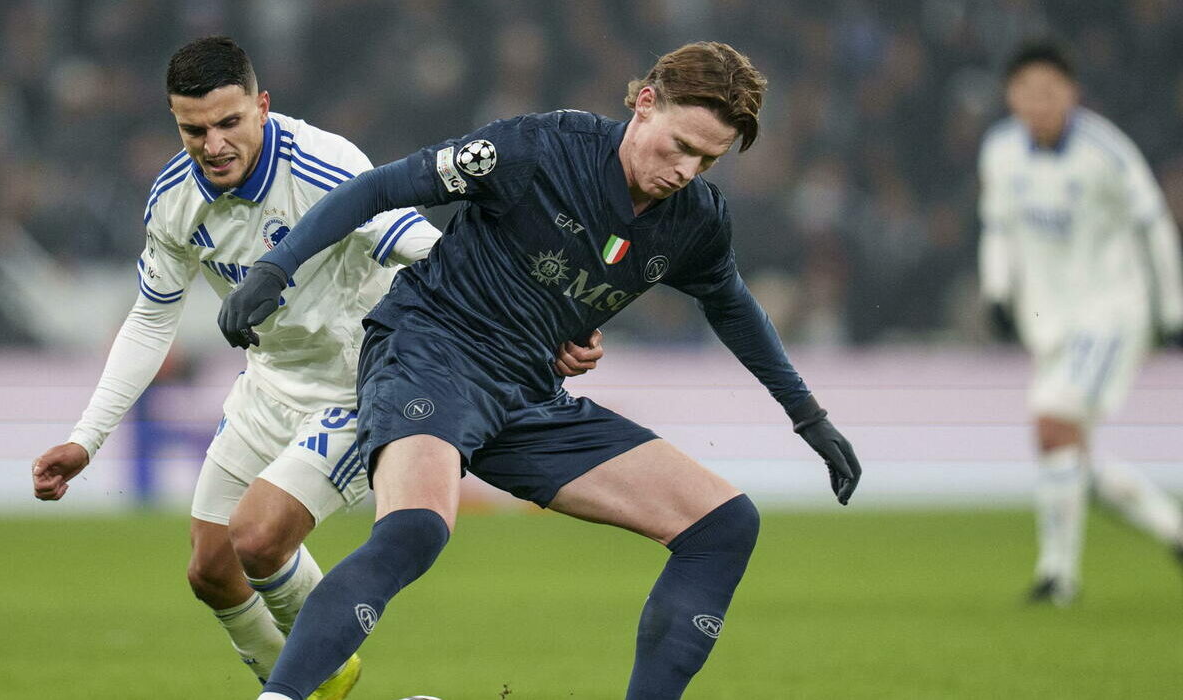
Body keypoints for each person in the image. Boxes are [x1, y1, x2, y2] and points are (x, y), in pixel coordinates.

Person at [220, 41, 861, 700]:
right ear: (645, 103)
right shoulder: (538, 149)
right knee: (415, 528)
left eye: (707, 159)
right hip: (431, 353)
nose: (685, 170)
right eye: (681, 146)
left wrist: (808, 416)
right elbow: (383, 187)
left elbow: (734, 309)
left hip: (527, 394)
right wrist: (277, 267)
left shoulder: (693, 220)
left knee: (724, 524)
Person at [29, 36, 606, 697]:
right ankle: (325, 678)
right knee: (211, 571)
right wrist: (86, 438)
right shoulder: (174, 198)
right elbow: (151, 319)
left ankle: (305, 678)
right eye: (194, 130)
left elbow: (425, 247)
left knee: (258, 537)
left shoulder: (322, 165)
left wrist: (545, 322)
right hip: (268, 384)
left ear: (262, 106)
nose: (213, 145)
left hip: (366, 383)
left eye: (229, 122)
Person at [978, 42, 1183, 606]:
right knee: (1066, 452)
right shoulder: (1000, 151)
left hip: (1112, 312)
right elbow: (997, 227)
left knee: (1054, 425)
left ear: (1071, 93)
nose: (1038, 103)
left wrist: (1173, 309)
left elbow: (1155, 226)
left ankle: (1057, 577)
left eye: (1049, 91)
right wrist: (997, 292)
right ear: (1011, 97)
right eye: (1026, 91)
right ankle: (1174, 530)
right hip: (1052, 323)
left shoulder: (1106, 152)